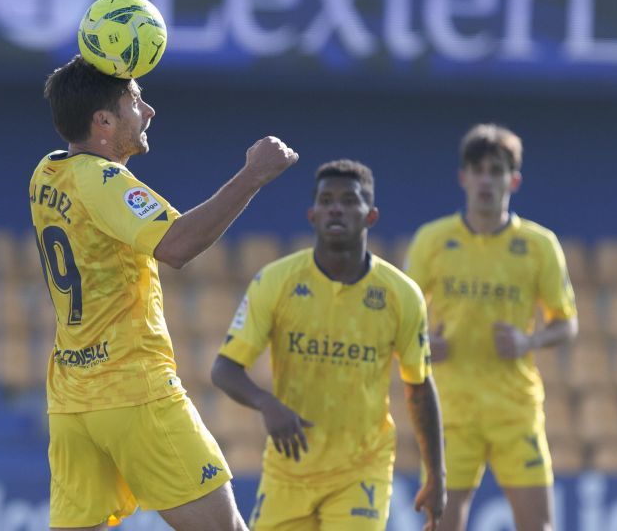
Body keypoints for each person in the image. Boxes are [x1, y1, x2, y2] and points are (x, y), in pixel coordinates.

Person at [30, 55, 298, 531]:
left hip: (72, 400)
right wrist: (253, 174)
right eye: (135, 100)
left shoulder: (46, 173)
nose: (149, 111)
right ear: (104, 121)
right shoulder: (104, 180)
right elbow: (177, 245)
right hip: (133, 390)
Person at [210, 159, 446, 531]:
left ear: (371, 216)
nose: (336, 207)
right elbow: (224, 368)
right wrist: (267, 404)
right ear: (312, 214)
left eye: (350, 200)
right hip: (289, 469)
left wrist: (436, 476)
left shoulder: (401, 294)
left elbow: (419, 386)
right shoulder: (276, 281)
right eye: (327, 200)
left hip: (361, 468)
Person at [405, 124, 578, 531]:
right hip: (450, 407)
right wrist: (423, 344)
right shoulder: (433, 239)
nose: (486, 180)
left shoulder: (538, 244)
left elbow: (567, 324)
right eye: (478, 170)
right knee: (442, 524)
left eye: (496, 170)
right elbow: (403, 317)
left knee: (538, 526)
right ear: (462, 177)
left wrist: (528, 340)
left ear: (513, 180)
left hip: (513, 407)